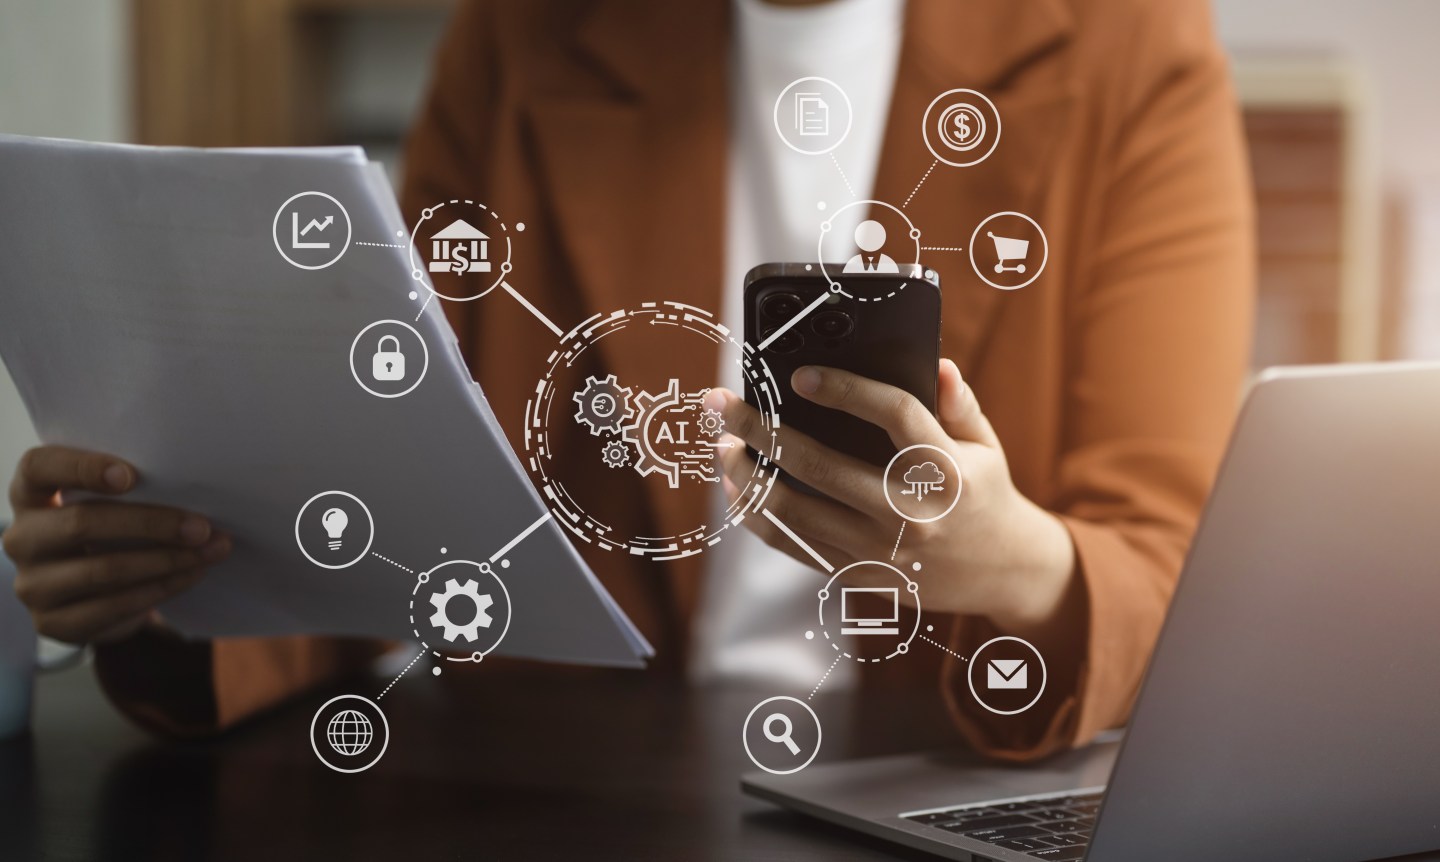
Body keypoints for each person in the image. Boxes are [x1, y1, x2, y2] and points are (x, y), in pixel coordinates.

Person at [4, 0, 1252, 759]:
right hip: (553, 780)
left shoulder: (1131, 48)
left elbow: (1166, 555)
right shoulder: (528, 34)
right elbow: (388, 492)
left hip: (931, 772)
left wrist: (1013, 566)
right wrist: (167, 591)